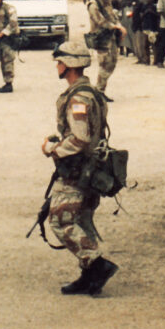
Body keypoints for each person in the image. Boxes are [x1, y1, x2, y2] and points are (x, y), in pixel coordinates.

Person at [40, 41, 119, 296]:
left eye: (60, 62)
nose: (58, 66)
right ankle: (88, 277)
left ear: (70, 65)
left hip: (78, 171)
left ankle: (97, 265)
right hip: (91, 169)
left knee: (60, 221)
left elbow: (80, 138)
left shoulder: (78, 98)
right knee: (81, 220)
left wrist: (52, 149)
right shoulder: (91, 92)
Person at [86, 0, 124, 100]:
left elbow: (113, 17)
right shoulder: (93, 4)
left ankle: (100, 90)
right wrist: (115, 27)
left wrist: (119, 25)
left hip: (110, 37)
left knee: (112, 63)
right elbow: (100, 21)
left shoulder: (107, 3)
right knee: (104, 64)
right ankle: (99, 91)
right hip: (101, 38)